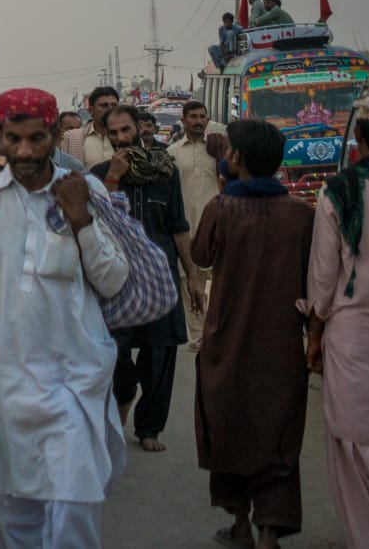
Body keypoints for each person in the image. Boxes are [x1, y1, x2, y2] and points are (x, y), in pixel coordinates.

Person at [0, 88, 130, 549]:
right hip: (0, 386)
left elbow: (114, 280)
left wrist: (81, 221)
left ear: (56, 135)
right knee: (15, 519)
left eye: (36, 139)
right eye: (13, 139)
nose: (24, 152)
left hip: (72, 384)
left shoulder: (87, 193)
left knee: (74, 514)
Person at [193, 119, 313, 549]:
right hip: (280, 343)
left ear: (237, 158)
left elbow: (201, 255)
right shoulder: (300, 213)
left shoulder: (221, 208)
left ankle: (240, 523)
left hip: (226, 340)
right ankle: (270, 531)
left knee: (228, 428)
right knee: (277, 432)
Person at [92, 104, 203, 454]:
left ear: (139, 129)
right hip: (116, 280)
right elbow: (94, 222)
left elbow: (177, 226)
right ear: (107, 135)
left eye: (126, 130)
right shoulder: (98, 174)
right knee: (115, 354)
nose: (122, 138)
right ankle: (122, 398)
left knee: (160, 353)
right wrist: (113, 177)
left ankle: (149, 428)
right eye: (114, 133)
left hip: (160, 275)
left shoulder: (165, 171)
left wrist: (193, 276)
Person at [306, 117, 369, 546]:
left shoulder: (340, 191)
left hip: (352, 333)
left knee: (352, 441)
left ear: (361, 139)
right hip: (352, 331)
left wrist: (313, 336)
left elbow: (323, 277)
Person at [170, 100, 225, 348]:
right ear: (183, 120)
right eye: (193, 116)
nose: (198, 121)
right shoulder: (172, 153)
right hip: (186, 226)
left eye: (202, 116)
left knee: (217, 278)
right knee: (190, 278)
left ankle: (216, 330)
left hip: (216, 224)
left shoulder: (218, 150)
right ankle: (198, 333)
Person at [60, 86, 118, 168]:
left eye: (114, 105)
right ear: (91, 110)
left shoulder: (127, 138)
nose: (110, 109)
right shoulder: (71, 138)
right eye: (104, 105)